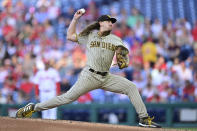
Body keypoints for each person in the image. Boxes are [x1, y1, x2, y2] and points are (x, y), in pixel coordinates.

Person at [16, 9, 161, 128]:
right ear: (101, 23)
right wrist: (75, 19)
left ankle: (143, 118)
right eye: (109, 21)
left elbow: (124, 59)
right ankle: (34, 108)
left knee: (131, 87)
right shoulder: (90, 36)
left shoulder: (116, 39)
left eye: (112, 22)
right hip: (89, 76)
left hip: (106, 77)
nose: (111, 23)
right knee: (67, 98)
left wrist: (123, 61)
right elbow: (69, 36)